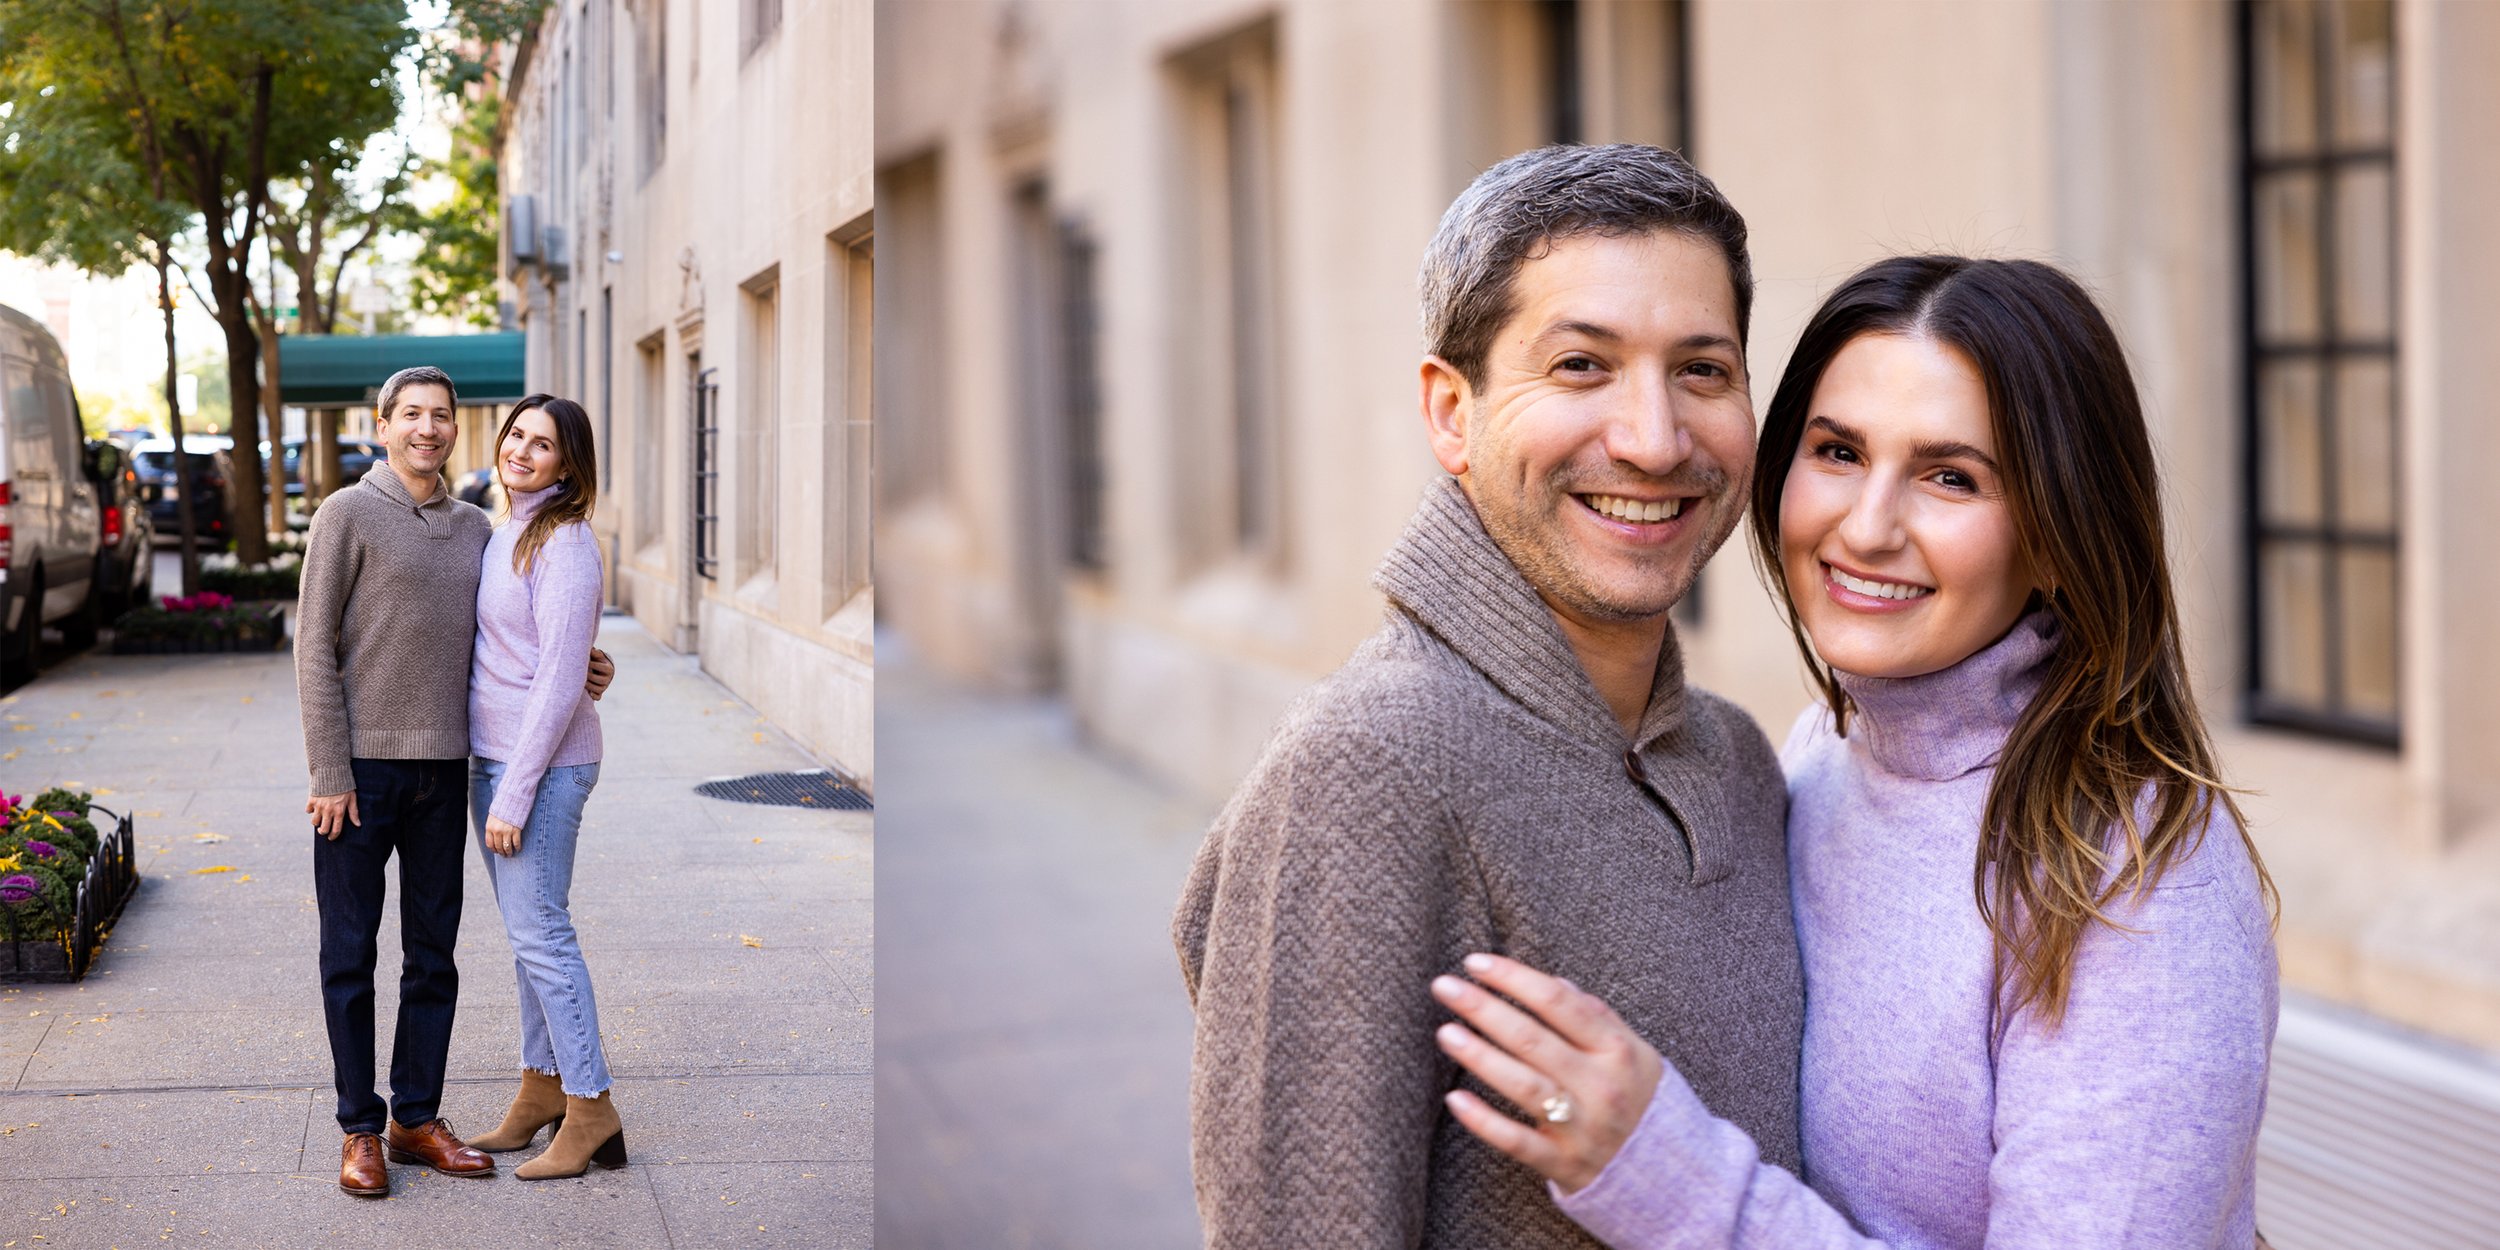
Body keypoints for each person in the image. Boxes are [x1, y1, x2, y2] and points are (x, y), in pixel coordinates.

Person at [1430, 256, 2279, 1247]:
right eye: (1836, 451)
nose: (1866, 527)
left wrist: (1667, 1177)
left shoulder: (2135, 876)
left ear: (2057, 534)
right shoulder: (1818, 761)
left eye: (1950, 476)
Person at [1172, 144, 1804, 1248]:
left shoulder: (1740, 759)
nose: (1654, 439)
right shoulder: (1366, 769)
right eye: (1579, 366)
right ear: (1450, 412)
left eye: (1701, 369)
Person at [297, 366, 614, 1198]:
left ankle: (415, 1117)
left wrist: (586, 663)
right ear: (382, 424)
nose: (428, 428)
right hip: (359, 774)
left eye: (441, 415)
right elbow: (312, 650)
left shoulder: (479, 525)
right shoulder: (345, 514)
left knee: (433, 956)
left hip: (449, 766)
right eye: (411, 415)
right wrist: (328, 769)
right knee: (349, 954)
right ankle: (359, 1128)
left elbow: (523, 632)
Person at [458, 394, 628, 1179]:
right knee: (528, 939)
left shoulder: (563, 541)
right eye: (517, 434)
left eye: (544, 444)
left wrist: (515, 792)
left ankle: (590, 1106)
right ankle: (540, 1090)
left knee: (544, 937)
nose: (523, 451)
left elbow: (562, 675)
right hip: (495, 759)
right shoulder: (507, 530)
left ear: (569, 464)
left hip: (541, 770)